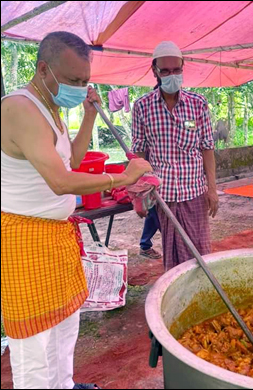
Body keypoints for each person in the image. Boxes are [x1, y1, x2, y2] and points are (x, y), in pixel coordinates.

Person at [1, 31, 152, 389]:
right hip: (24, 237)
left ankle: (65, 386)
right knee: (35, 342)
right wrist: (120, 178)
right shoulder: (19, 108)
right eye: (73, 80)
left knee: (65, 323)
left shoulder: (51, 108)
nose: (81, 87)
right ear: (43, 69)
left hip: (56, 233)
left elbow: (75, 162)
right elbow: (61, 181)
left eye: (85, 81)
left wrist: (88, 118)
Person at [132, 41, 218, 271]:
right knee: (173, 252)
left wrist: (212, 188)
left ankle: (202, 292)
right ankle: (177, 298)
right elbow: (140, 152)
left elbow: (207, 148)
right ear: (155, 71)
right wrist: (140, 192)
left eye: (176, 70)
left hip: (195, 191)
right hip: (165, 193)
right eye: (166, 71)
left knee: (199, 251)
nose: (172, 75)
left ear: (183, 67)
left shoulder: (197, 104)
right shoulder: (142, 106)